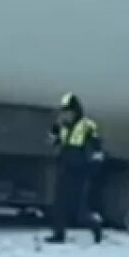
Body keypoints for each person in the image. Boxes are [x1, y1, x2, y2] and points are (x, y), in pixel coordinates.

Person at [46, 92, 104, 244]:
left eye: (68, 111)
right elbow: (52, 142)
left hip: (80, 169)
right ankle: (59, 235)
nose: (66, 114)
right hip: (65, 166)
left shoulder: (87, 125)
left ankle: (95, 226)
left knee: (78, 208)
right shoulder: (62, 125)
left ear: (75, 111)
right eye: (64, 111)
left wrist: (94, 166)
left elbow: (97, 147)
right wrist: (54, 129)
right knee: (59, 203)